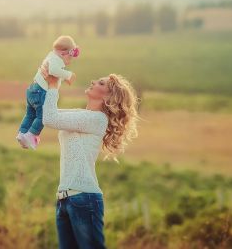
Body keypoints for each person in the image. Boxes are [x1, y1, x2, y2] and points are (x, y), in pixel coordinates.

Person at [40, 61, 141, 249]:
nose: (94, 82)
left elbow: (50, 118)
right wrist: (51, 78)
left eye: (101, 83)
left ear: (109, 97)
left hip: (83, 199)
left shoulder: (96, 119)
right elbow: (47, 113)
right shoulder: (81, 115)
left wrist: (54, 85)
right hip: (65, 199)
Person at [16, 35, 80, 149]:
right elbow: (54, 70)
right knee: (42, 116)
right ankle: (31, 135)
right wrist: (69, 75)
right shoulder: (56, 61)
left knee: (30, 114)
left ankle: (22, 133)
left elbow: (54, 71)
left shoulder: (51, 57)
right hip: (41, 92)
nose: (69, 62)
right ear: (63, 53)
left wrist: (64, 78)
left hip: (33, 89)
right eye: (69, 58)